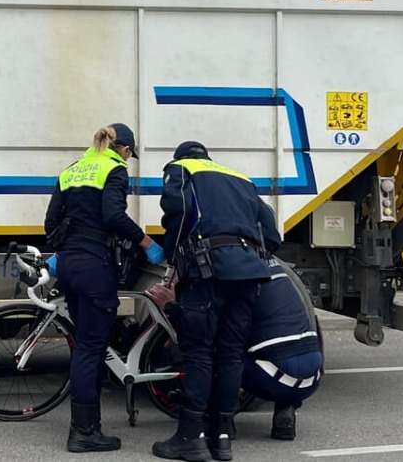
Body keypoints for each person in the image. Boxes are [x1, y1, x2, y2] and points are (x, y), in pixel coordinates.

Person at [152, 141, 281, 462]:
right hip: (249, 274)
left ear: (181, 157)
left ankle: (189, 436)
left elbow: (177, 213)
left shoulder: (181, 170)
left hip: (208, 272)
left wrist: (175, 257)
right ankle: (222, 437)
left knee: (198, 353)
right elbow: (272, 232)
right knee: (230, 354)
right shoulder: (240, 178)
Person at [44, 122, 166, 453]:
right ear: (123, 149)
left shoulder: (71, 170)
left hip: (69, 264)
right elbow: (113, 215)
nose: (129, 158)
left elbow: (50, 223)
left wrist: (64, 253)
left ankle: (88, 426)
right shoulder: (115, 168)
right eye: (130, 153)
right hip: (95, 265)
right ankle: (83, 432)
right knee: (90, 348)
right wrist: (145, 241)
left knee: (85, 344)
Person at [145, 256, 323, 443]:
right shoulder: (275, 266)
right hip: (311, 377)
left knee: (216, 352)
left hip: (271, 377)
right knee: (277, 341)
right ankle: (285, 409)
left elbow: (205, 328)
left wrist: (173, 306)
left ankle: (222, 421)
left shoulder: (234, 271)